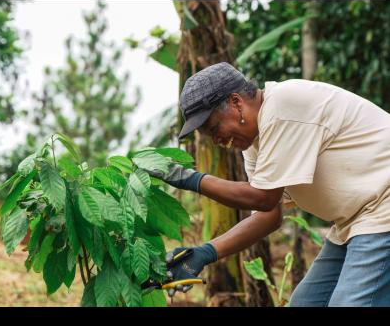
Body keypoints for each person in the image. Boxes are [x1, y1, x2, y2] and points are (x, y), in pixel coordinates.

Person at [146, 62, 390, 307]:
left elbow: (263, 198)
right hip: (355, 220)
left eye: (214, 128)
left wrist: (191, 179)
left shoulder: (283, 106)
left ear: (236, 102)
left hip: (382, 210)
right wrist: (204, 253)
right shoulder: (255, 142)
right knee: (306, 303)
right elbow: (268, 215)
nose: (217, 140)